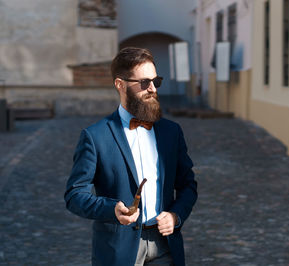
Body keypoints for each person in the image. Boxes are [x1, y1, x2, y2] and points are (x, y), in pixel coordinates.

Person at [64, 47, 198, 266]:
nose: (153, 89)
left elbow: (188, 185)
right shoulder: (95, 136)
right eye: (144, 83)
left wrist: (175, 216)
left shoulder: (171, 132)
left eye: (156, 81)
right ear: (120, 84)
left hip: (166, 246)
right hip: (118, 251)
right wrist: (111, 209)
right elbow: (74, 195)